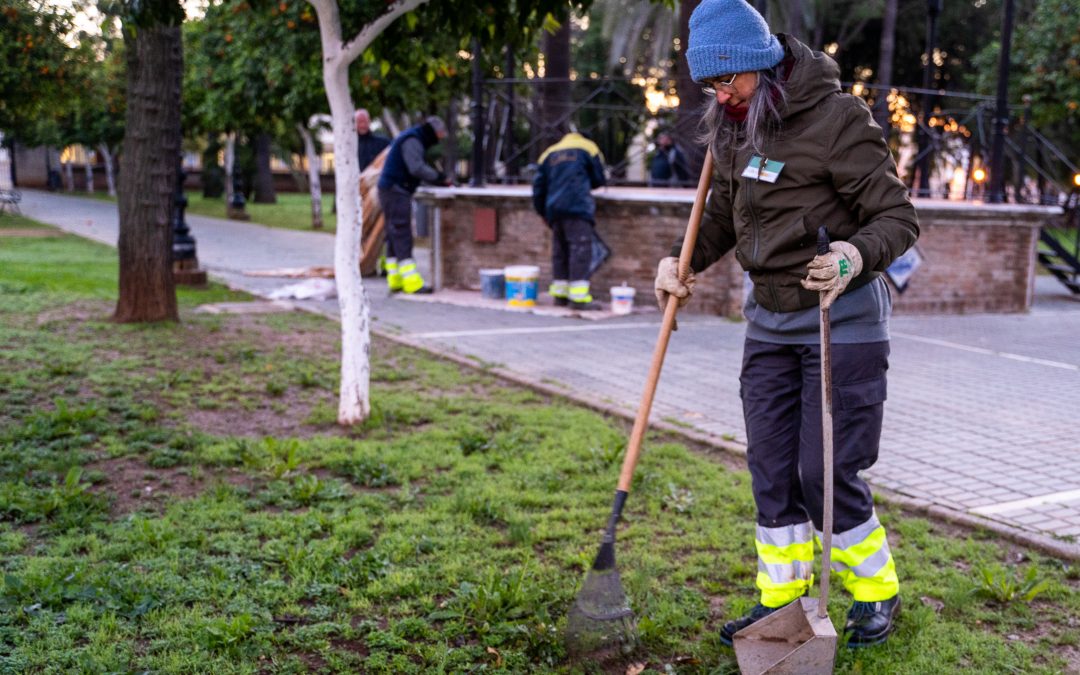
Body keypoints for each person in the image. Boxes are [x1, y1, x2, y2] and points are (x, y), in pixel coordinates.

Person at [654, 0, 918, 649]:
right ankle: (781, 599)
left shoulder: (836, 118)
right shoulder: (733, 126)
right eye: (710, 85)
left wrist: (855, 255)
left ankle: (876, 591)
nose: (720, 94)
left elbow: (897, 217)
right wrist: (680, 260)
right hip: (768, 321)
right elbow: (721, 215)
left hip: (840, 318)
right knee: (772, 469)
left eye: (728, 81)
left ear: (759, 64)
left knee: (822, 472)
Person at [531, 128, 607, 309]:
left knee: (560, 251)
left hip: (554, 209)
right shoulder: (589, 147)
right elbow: (599, 178)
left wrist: (541, 212)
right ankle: (578, 299)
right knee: (580, 250)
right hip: (578, 206)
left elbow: (538, 187)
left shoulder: (549, 153)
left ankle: (560, 296)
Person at [376, 116, 451, 294]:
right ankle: (412, 283)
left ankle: (395, 279)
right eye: (439, 136)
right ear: (433, 132)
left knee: (394, 233)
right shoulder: (413, 140)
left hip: (391, 189)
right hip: (396, 190)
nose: (439, 140)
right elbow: (416, 167)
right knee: (402, 233)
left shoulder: (411, 137)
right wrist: (440, 178)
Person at [355, 108, 390, 173]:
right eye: (359, 122)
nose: (362, 125)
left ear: (369, 121)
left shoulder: (383, 142)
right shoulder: (349, 146)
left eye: (365, 121)